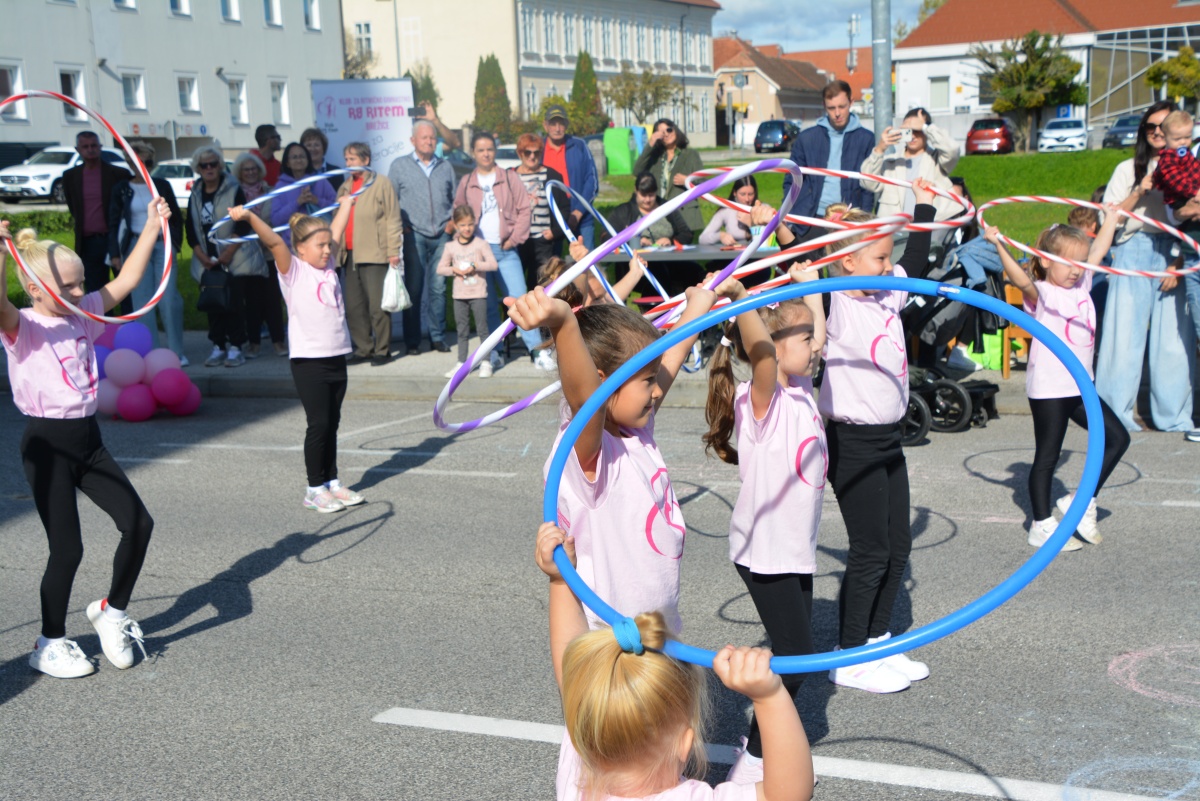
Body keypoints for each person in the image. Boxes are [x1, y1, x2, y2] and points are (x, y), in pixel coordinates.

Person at [1, 197, 168, 678]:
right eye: (68, 286)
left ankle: (111, 612)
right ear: (33, 287)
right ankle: (48, 642)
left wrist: (154, 226)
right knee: (67, 550)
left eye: (80, 284)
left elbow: (127, 281)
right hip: (47, 446)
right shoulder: (23, 327)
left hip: (88, 441)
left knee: (138, 523)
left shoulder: (82, 314)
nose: (81, 292)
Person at [535, 524, 814, 801]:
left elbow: (571, 672)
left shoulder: (579, 778)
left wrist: (560, 580)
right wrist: (770, 698)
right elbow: (788, 793)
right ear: (686, 744)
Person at [506, 277, 717, 636]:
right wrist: (564, 323)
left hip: (658, 629)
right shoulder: (589, 455)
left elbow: (671, 357)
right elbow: (587, 401)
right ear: (604, 382)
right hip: (613, 638)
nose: (656, 392)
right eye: (647, 381)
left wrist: (698, 306)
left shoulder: (635, 429)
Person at [701, 266, 825, 784]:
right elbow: (765, 354)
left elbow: (810, 336)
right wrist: (742, 299)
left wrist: (814, 284)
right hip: (766, 549)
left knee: (798, 653)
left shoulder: (802, 388)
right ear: (770, 348)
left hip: (794, 547)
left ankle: (770, 747)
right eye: (804, 339)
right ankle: (750, 763)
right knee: (795, 659)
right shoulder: (764, 400)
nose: (815, 346)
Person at [816, 180, 938, 694]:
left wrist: (926, 205)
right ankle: (848, 653)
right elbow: (797, 296)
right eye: (877, 258)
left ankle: (878, 640)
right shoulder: (833, 298)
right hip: (852, 439)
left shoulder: (887, 290)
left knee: (899, 544)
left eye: (888, 259)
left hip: (890, 438)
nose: (887, 267)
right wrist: (799, 268)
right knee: (870, 548)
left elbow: (919, 258)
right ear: (848, 262)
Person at [985, 217, 1131, 550]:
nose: (1076, 270)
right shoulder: (1045, 293)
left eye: (1079, 262)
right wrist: (998, 244)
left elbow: (1099, 248)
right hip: (1051, 388)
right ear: (1047, 260)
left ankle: (1080, 501)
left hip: (1080, 387)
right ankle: (1040, 523)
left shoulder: (1082, 284)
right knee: (1047, 457)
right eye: (1068, 263)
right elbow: (1020, 279)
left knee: (1117, 439)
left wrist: (1110, 219)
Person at [229, 196, 367, 513]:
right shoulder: (293, 271)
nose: (326, 250)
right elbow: (275, 241)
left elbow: (336, 230)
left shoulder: (328, 267)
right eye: (319, 246)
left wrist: (346, 204)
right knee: (318, 424)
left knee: (332, 422)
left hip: (336, 357)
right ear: (300, 249)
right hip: (309, 362)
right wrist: (249, 216)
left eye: (328, 246)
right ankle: (314, 488)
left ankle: (332, 482)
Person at [1095, 101, 1196, 434]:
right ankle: (1113, 415)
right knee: (1123, 335)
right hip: (1133, 248)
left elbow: (1191, 217)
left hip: (1175, 249)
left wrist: (1178, 258)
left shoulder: (1189, 165)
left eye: (1163, 126)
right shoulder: (1128, 168)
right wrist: (1141, 190)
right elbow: (1107, 217)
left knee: (1173, 341)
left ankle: (1173, 416)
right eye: (1151, 127)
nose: (1157, 132)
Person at [456, 131, 550, 370]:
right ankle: (494, 352)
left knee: (520, 300)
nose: (485, 153)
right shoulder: (467, 182)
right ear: (474, 153)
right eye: (480, 149)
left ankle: (536, 351)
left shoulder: (509, 178)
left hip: (506, 249)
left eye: (489, 149)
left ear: (494, 151)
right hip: (478, 253)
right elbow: (458, 210)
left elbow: (523, 210)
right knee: (486, 305)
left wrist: (514, 239)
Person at [105, 140, 186, 363]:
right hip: (135, 246)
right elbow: (113, 222)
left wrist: (176, 242)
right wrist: (115, 254)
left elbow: (176, 217)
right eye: (137, 162)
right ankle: (150, 352)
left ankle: (176, 352)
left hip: (162, 243)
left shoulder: (162, 184)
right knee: (142, 301)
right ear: (130, 163)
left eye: (148, 162)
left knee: (169, 299)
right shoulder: (122, 188)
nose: (144, 166)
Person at [388, 119, 456, 355]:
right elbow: (391, 201)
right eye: (424, 137)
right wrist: (403, 227)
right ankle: (413, 341)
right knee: (414, 288)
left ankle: (437, 337)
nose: (429, 141)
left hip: (441, 235)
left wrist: (451, 223)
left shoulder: (445, 166)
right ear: (413, 140)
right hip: (413, 233)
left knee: (438, 289)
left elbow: (454, 198)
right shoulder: (399, 166)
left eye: (432, 137)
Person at [781, 81, 876, 241]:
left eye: (842, 106)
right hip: (811, 219)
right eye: (831, 108)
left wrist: (864, 219)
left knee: (847, 266)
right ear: (824, 106)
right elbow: (792, 180)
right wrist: (788, 214)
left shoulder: (866, 138)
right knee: (808, 266)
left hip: (850, 219)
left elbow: (868, 185)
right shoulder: (807, 138)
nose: (837, 113)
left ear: (851, 102)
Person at [337, 142, 403, 366]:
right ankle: (363, 348)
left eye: (352, 159)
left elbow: (393, 219)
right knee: (354, 307)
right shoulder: (345, 186)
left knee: (377, 306)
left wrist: (393, 250)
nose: (348, 164)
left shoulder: (381, 183)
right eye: (346, 159)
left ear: (365, 160)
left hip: (374, 253)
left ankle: (382, 350)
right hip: (350, 255)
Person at [216, 152, 277, 363]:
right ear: (239, 172)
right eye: (246, 169)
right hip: (243, 255)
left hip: (268, 251)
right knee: (250, 301)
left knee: (271, 299)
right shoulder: (233, 193)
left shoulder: (270, 191)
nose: (250, 172)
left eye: (253, 169)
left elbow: (276, 217)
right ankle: (251, 342)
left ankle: (278, 340)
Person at [598, 172, 695, 297]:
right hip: (635, 264)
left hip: (668, 262)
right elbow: (605, 236)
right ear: (636, 191)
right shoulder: (624, 211)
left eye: (651, 195)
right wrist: (630, 239)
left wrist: (671, 240)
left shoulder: (667, 207)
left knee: (693, 271)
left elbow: (687, 233)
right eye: (643, 195)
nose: (647, 200)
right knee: (658, 272)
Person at [859, 107, 960, 220]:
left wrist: (926, 127)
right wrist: (879, 150)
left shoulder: (937, 159)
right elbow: (866, 182)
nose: (912, 136)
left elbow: (952, 149)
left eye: (917, 130)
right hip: (896, 230)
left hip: (928, 227)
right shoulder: (891, 162)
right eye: (908, 131)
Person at [62, 130, 127, 295]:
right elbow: (73, 206)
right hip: (89, 243)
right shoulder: (70, 176)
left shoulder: (118, 174)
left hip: (116, 240)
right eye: (85, 146)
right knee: (96, 291)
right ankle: (104, 321)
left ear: (100, 147)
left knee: (125, 286)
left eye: (94, 145)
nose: (90, 149)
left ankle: (127, 320)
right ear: (78, 150)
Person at [437, 205, 498, 379]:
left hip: (478, 293)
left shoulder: (481, 244)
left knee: (482, 329)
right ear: (456, 225)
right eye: (463, 225)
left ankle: (486, 362)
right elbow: (440, 269)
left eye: (470, 224)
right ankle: (461, 363)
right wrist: (455, 270)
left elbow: (493, 264)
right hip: (459, 295)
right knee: (461, 330)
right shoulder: (450, 246)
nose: (467, 229)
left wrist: (475, 265)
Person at [514, 132, 570, 288]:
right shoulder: (510, 175)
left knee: (541, 284)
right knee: (514, 286)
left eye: (536, 152)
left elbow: (564, 208)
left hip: (543, 240)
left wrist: (555, 232)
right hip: (518, 240)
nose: (532, 156)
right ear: (520, 153)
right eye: (527, 152)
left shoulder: (552, 175)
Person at [542, 104, 599, 249]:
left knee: (586, 265)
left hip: (580, 216)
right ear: (545, 125)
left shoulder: (579, 145)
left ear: (566, 125)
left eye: (561, 124)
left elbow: (591, 181)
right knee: (551, 267)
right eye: (553, 124)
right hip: (550, 219)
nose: (557, 128)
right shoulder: (538, 148)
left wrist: (579, 211)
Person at [633, 118, 705, 234]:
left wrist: (687, 180)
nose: (666, 134)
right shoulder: (655, 157)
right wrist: (650, 143)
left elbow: (704, 183)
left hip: (685, 215)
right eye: (661, 133)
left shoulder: (691, 155)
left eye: (669, 129)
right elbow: (637, 171)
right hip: (661, 214)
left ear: (675, 130)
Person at [271, 142, 338, 247]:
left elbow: (337, 208)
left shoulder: (320, 180)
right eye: (294, 157)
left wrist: (317, 201)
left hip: (321, 242)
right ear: (287, 162)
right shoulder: (281, 186)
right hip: (293, 246)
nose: (299, 160)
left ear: (308, 160)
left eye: (302, 156)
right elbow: (276, 220)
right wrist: (297, 202)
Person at [1151, 110, 1200, 234]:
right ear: (1166, 139)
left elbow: (1195, 167)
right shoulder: (1167, 159)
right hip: (1178, 197)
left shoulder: (1186, 153)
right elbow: (1176, 181)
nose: (1183, 142)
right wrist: (1195, 191)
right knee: (1186, 211)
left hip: (1190, 191)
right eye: (1177, 139)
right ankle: (1177, 242)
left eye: (1187, 137)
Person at [300, 127, 344, 192]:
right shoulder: (298, 172)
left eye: (316, 145)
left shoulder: (336, 172)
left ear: (324, 147)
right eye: (308, 145)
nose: (312, 149)